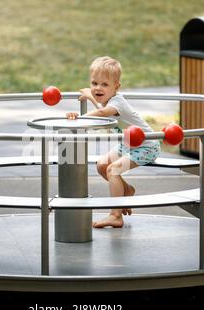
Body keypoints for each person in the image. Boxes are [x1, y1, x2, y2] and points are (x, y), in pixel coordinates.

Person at [66, 56, 161, 228]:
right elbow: (102, 108)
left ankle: (115, 215)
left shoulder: (117, 102)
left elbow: (103, 113)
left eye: (104, 84)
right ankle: (127, 190)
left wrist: (78, 118)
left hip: (146, 145)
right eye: (94, 83)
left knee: (113, 170)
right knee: (102, 165)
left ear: (116, 87)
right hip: (129, 143)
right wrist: (90, 95)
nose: (98, 88)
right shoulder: (109, 100)